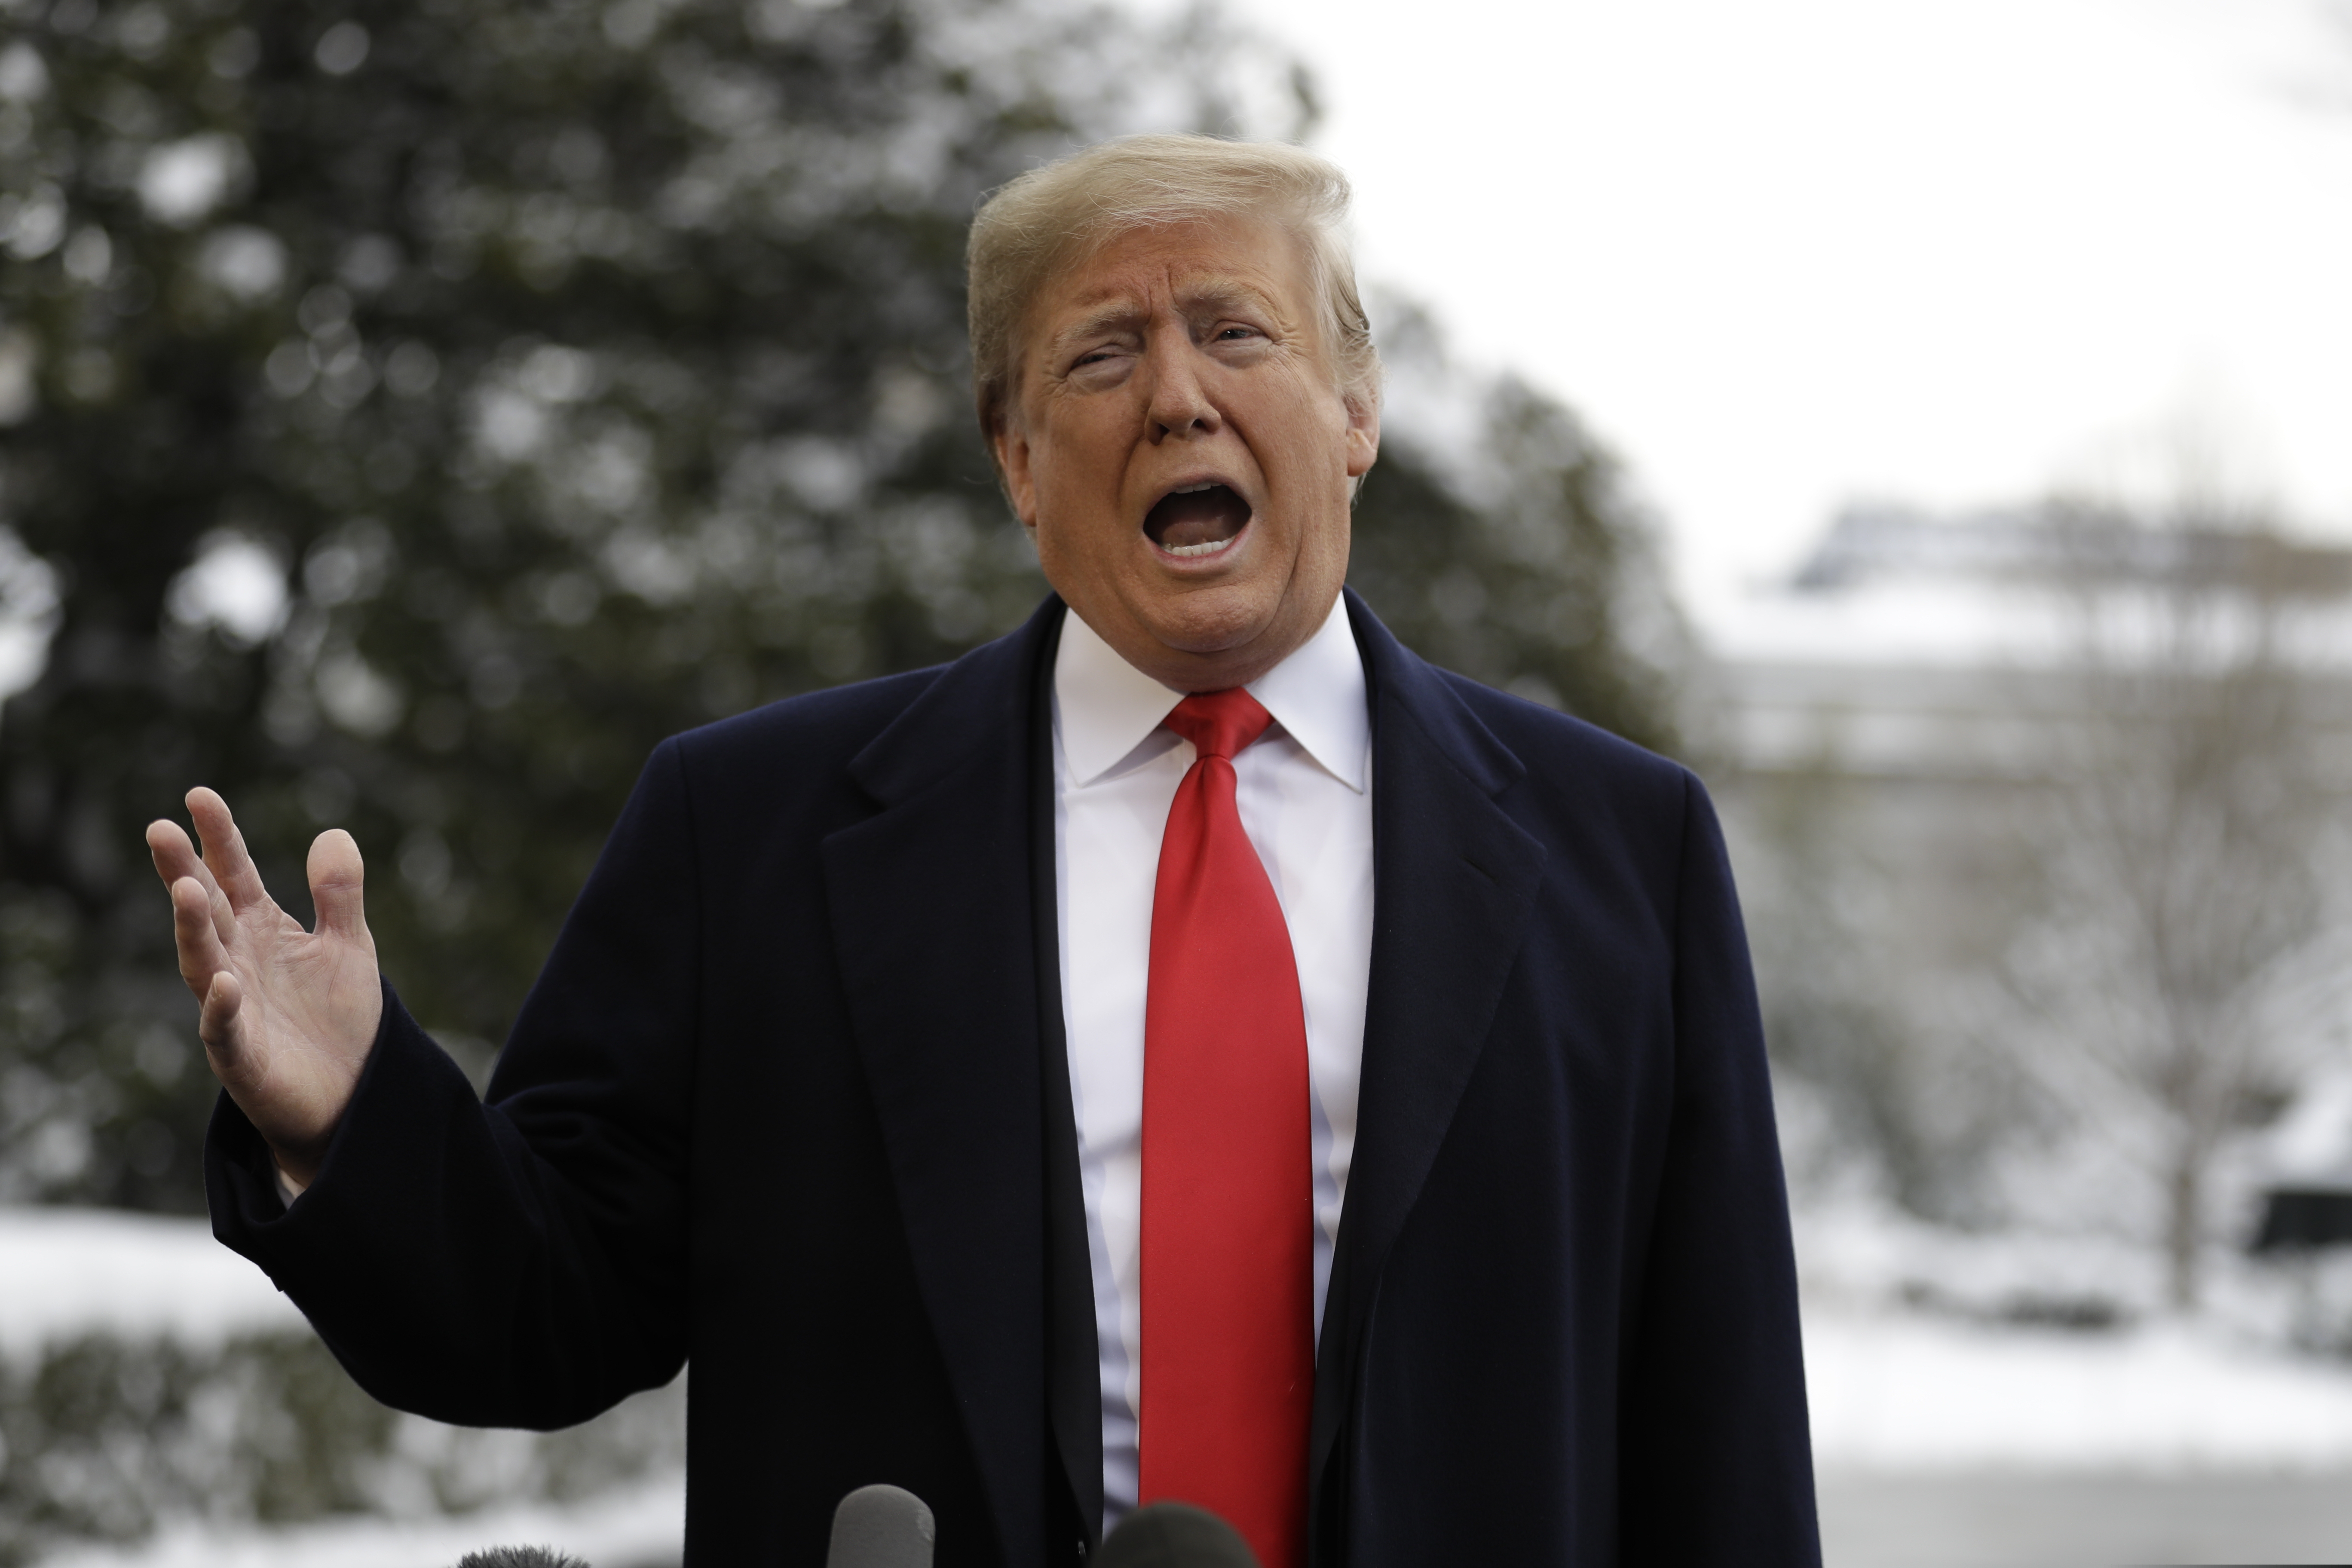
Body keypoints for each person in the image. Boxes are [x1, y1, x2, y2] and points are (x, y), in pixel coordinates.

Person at [149, 135, 1818, 1568]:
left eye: (1237, 330)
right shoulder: (752, 831)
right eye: (1099, 356)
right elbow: (543, 1312)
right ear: (1017, 459)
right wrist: (358, 1113)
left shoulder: (1626, 849)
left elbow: (1721, 1435)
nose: (1175, 395)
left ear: (1355, 405)